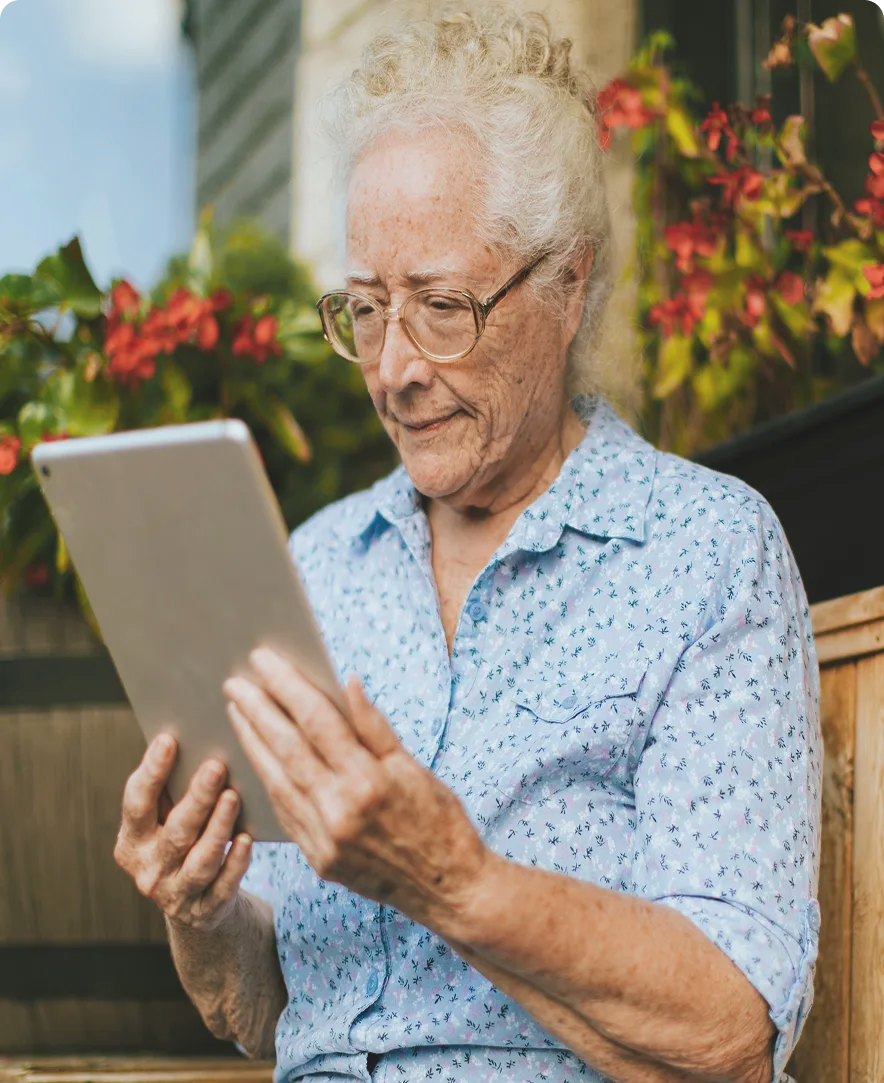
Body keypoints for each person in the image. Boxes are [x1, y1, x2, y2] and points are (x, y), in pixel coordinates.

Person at [113, 6, 821, 1082]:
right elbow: (267, 1012)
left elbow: (732, 1032)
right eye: (362, 309)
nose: (392, 365)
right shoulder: (315, 565)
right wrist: (200, 908)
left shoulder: (704, 554)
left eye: (441, 307)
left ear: (566, 285)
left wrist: (449, 878)